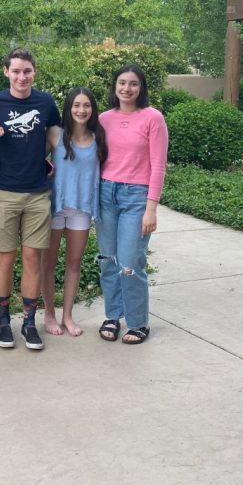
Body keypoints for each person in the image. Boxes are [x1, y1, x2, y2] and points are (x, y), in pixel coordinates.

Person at [0, 48, 60, 351]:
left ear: (35, 72)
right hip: (4, 190)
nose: (21, 76)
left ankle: (29, 322)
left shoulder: (45, 102)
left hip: (37, 193)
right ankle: (3, 321)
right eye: (16, 71)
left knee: (33, 258)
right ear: (6, 72)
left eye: (27, 71)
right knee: (5, 257)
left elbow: (56, 133)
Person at [96, 64, 168, 345]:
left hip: (136, 197)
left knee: (130, 262)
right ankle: (113, 315)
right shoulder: (103, 119)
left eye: (133, 83)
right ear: (115, 86)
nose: (127, 88)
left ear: (141, 88)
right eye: (122, 83)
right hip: (105, 194)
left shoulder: (152, 118)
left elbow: (158, 165)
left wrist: (151, 207)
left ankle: (138, 322)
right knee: (108, 261)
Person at [40, 88, 107, 337]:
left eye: (86, 105)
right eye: (76, 105)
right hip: (55, 207)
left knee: (73, 263)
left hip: (81, 209)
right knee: (48, 264)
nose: (81, 110)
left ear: (92, 109)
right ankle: (49, 313)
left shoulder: (98, 136)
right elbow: (35, 159)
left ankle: (68, 315)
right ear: (68, 108)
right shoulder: (55, 134)